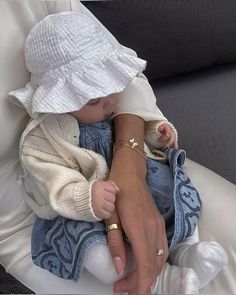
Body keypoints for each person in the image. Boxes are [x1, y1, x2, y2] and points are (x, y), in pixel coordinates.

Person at [9, 11, 227, 295]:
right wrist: (85, 197)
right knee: (101, 258)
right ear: (58, 102)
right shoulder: (43, 138)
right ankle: (159, 280)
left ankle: (186, 252)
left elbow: (137, 119)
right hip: (86, 211)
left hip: (140, 180)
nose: (110, 101)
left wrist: (157, 132)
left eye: (111, 88)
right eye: (95, 99)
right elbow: (49, 181)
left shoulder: (111, 105)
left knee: (178, 196)